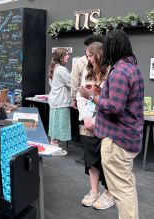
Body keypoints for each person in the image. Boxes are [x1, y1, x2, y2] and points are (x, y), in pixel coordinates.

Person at [80, 29, 144, 219]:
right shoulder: (132, 68)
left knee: (121, 190)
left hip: (117, 140)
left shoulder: (119, 72)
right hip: (128, 138)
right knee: (126, 186)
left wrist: (92, 96)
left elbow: (114, 107)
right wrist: (100, 91)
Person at [77, 42, 114, 210]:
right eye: (87, 56)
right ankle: (94, 191)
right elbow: (81, 95)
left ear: (99, 54)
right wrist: (86, 118)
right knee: (91, 160)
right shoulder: (87, 70)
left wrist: (97, 120)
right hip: (87, 122)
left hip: (105, 124)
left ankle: (108, 193)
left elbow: (110, 103)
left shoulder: (111, 72)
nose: (88, 59)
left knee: (107, 160)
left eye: (90, 55)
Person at [70, 34, 103, 165]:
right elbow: (80, 86)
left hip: (95, 109)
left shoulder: (106, 68)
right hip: (89, 105)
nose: (89, 59)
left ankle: (88, 157)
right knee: (89, 135)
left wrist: (74, 97)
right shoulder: (88, 66)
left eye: (90, 55)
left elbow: (74, 80)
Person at [48, 48, 71, 146]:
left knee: (55, 128)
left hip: (55, 102)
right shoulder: (61, 69)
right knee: (59, 128)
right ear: (60, 57)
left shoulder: (54, 68)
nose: (68, 56)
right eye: (66, 54)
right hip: (61, 102)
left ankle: (54, 145)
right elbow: (70, 83)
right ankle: (55, 147)